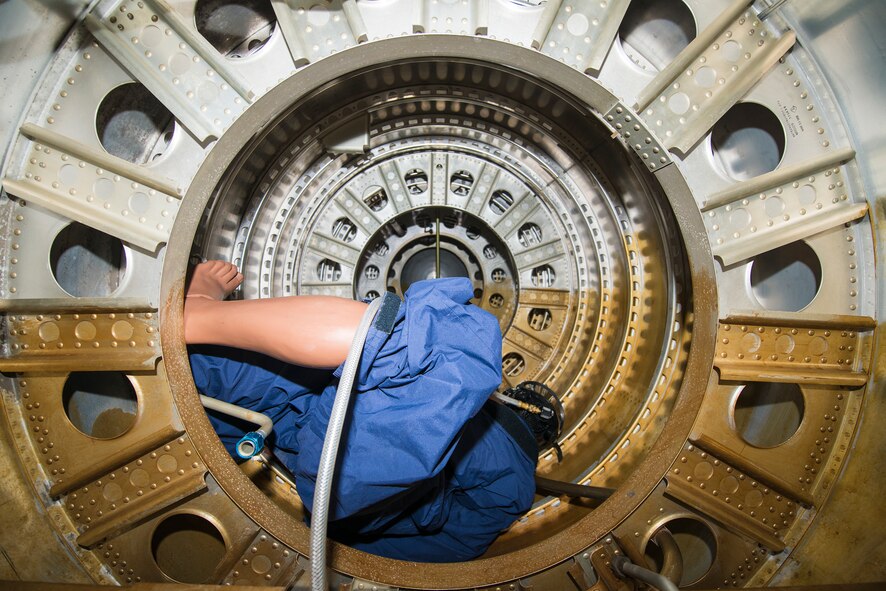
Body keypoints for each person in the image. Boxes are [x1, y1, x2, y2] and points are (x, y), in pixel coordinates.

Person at [184, 260, 540, 562]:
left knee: (453, 350)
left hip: (340, 459)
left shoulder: (513, 466)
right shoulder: (511, 493)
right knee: (208, 375)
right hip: (324, 460)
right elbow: (411, 554)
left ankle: (200, 317)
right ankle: (197, 326)